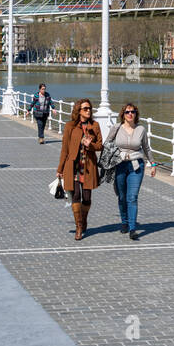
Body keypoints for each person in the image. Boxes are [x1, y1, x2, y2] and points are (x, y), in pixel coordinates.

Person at [101, 102, 156, 240]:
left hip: (136, 165)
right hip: (119, 165)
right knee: (122, 196)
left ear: (136, 114)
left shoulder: (141, 129)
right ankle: (124, 222)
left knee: (132, 197)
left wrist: (153, 163)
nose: (130, 114)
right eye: (127, 112)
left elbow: (146, 147)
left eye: (132, 112)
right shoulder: (116, 128)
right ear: (123, 114)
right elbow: (107, 144)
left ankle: (132, 229)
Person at [58, 98, 102, 240]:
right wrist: (60, 169)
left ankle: (84, 219)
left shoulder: (95, 125)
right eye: (85, 109)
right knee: (76, 196)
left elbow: (100, 145)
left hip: (88, 166)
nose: (88, 110)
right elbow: (64, 149)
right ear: (79, 111)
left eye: (89, 108)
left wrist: (91, 145)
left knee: (87, 198)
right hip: (73, 167)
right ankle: (78, 226)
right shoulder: (70, 126)